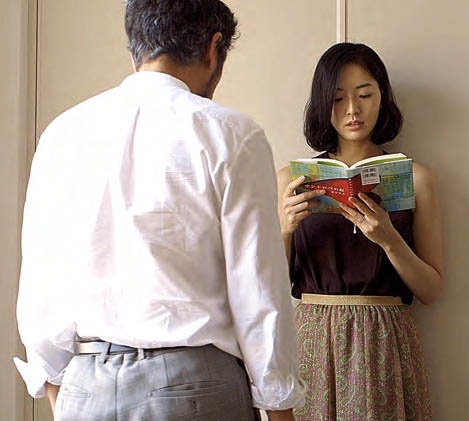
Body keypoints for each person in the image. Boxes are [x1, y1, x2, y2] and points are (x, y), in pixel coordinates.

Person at [15, 1, 305, 419]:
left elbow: (41, 285)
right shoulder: (231, 134)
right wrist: (279, 407)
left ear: (135, 49)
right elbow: (258, 293)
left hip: (85, 385)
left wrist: (67, 396)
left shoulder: (63, 134)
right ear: (214, 49)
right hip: (195, 385)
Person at [277, 42, 444, 420]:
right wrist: (285, 229)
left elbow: (432, 290)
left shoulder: (416, 178)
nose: (353, 109)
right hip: (314, 337)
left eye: (365, 95)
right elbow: (268, 286)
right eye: (338, 99)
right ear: (323, 104)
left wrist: (389, 240)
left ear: (382, 97)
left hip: (385, 338)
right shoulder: (292, 179)